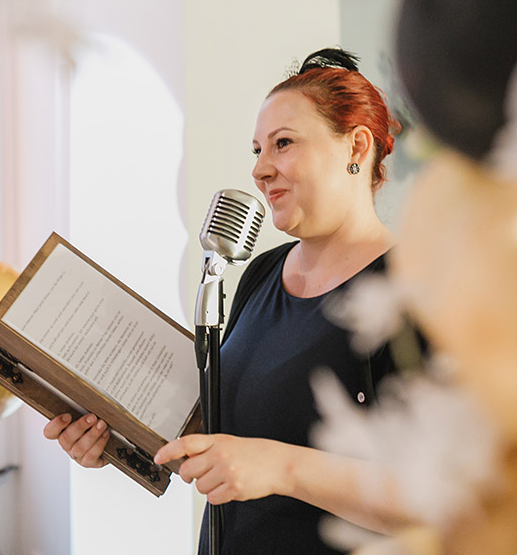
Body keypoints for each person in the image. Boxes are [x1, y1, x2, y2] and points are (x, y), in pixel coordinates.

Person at [44, 48, 416, 554]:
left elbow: (440, 496)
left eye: (283, 143)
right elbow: (227, 444)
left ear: (355, 146)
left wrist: (284, 468)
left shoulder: (411, 288)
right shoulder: (261, 274)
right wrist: (116, 441)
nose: (261, 170)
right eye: (257, 150)